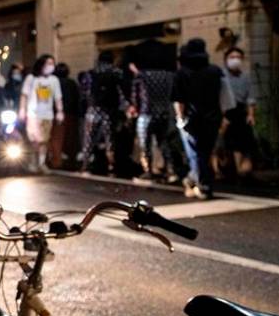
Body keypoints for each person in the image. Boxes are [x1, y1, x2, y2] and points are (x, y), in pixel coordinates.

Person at [173, 37, 227, 199]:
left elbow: (179, 99)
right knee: (205, 152)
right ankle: (194, 180)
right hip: (212, 119)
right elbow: (225, 96)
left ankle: (202, 184)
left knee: (194, 153)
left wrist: (180, 118)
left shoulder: (182, 73)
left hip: (191, 120)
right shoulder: (216, 71)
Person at [128, 39, 182, 183]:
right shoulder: (169, 75)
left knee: (145, 143)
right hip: (164, 112)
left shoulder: (141, 76)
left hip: (146, 113)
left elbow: (135, 96)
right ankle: (171, 171)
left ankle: (148, 171)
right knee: (163, 142)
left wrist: (134, 108)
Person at [80, 50, 128, 175]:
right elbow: (122, 92)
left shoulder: (90, 73)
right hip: (109, 110)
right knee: (110, 139)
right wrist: (124, 110)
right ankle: (111, 165)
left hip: (93, 109)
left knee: (89, 138)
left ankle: (86, 165)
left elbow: (84, 92)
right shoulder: (117, 73)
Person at [18, 54, 64, 173]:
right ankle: (33, 161)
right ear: (41, 64)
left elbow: (58, 97)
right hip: (33, 115)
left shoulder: (54, 80)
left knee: (44, 140)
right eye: (48, 63)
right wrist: (22, 109)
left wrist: (60, 111)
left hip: (47, 115)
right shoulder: (31, 78)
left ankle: (42, 163)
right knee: (35, 140)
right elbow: (24, 95)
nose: (51, 66)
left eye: (52, 63)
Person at [221, 45, 259, 182]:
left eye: (238, 57)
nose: (235, 60)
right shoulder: (222, 76)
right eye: (232, 57)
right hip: (226, 111)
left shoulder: (245, 77)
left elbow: (250, 97)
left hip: (241, 111)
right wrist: (222, 116)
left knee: (246, 140)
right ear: (226, 59)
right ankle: (235, 169)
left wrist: (251, 114)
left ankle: (243, 169)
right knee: (229, 142)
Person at [53, 62, 81, 169]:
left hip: (58, 114)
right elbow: (77, 98)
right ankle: (71, 160)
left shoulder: (54, 83)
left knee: (58, 139)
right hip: (71, 114)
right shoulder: (72, 83)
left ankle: (57, 161)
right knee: (71, 138)